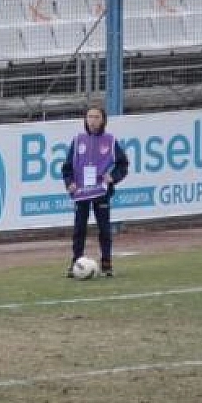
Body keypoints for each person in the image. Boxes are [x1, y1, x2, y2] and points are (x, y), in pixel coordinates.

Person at [61, 105, 128, 277]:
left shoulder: (110, 141)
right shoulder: (78, 140)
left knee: (104, 229)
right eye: (90, 116)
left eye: (96, 117)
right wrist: (69, 183)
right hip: (81, 192)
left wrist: (113, 177)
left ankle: (106, 264)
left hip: (101, 191)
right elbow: (67, 167)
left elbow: (123, 165)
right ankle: (76, 263)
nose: (92, 120)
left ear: (103, 120)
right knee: (79, 229)